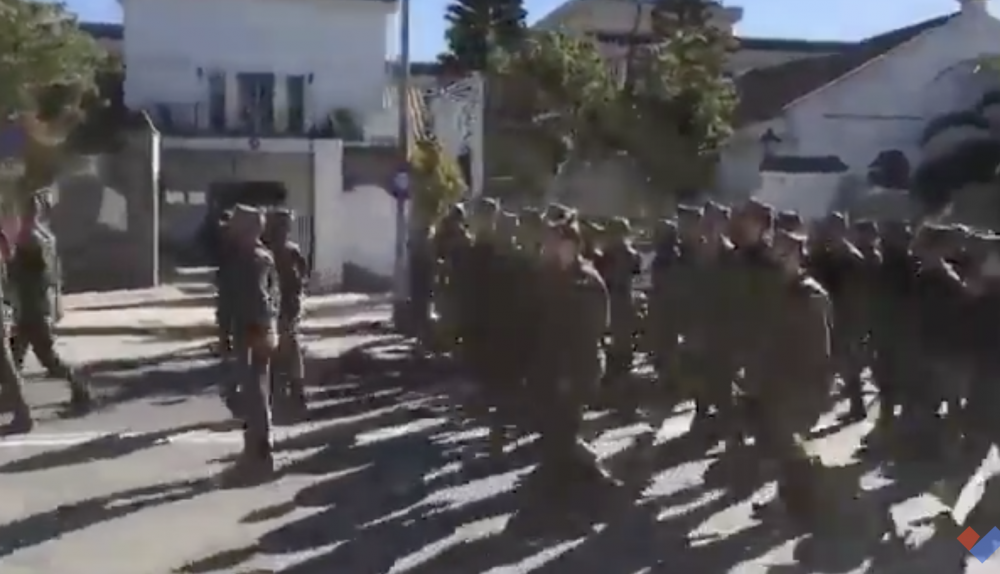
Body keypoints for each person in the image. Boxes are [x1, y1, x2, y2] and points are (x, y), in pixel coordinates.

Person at [9, 192, 90, 411]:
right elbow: (54, 275)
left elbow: (26, 274)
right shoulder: (45, 237)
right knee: (14, 355)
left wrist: (10, 266)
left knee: (47, 358)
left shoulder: (29, 238)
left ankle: (80, 388)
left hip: (31, 307)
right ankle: (11, 398)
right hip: (39, 304)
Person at [222, 204, 280, 481]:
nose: (230, 231)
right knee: (256, 391)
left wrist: (237, 333)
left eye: (234, 226)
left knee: (253, 393)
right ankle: (258, 451)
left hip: (251, 331)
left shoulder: (248, 259)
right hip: (260, 330)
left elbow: (255, 300)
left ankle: (258, 455)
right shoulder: (262, 256)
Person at [264, 209, 308, 421]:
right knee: (279, 348)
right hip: (274, 307)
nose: (284, 231)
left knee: (288, 346)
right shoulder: (269, 252)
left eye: (285, 227)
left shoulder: (288, 251)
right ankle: (282, 392)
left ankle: (295, 391)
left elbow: (302, 277)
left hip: (286, 307)